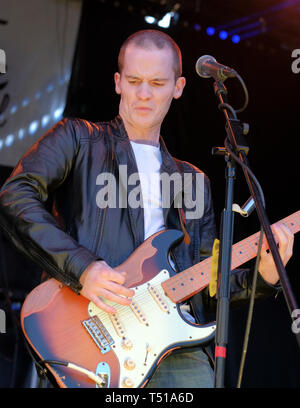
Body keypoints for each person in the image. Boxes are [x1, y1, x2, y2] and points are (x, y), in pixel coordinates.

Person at [0, 29, 294, 388]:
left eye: (157, 82)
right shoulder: (78, 138)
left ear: (179, 86)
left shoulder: (194, 180)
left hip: (174, 350)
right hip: (92, 337)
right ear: (117, 82)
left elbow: (209, 286)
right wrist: (83, 268)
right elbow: (16, 194)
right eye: (134, 80)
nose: (143, 93)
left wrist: (264, 275)